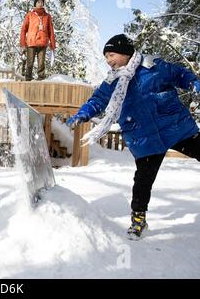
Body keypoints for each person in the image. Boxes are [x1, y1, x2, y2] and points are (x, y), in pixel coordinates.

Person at [67, 34, 200, 240]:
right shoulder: (112, 81)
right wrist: (82, 114)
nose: (108, 60)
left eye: (111, 55)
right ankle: (138, 219)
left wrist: (194, 83)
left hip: (174, 127)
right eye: (106, 57)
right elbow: (98, 100)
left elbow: (180, 75)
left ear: (125, 52)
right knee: (143, 181)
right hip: (144, 137)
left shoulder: (153, 66)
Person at [20, 0, 56, 81]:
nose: (40, 4)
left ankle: (41, 80)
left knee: (41, 64)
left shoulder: (47, 16)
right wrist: (23, 43)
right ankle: (28, 80)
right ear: (35, 3)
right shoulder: (30, 15)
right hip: (31, 42)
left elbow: (51, 31)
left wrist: (52, 44)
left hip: (43, 43)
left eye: (41, 2)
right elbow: (23, 29)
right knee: (30, 63)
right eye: (38, 2)